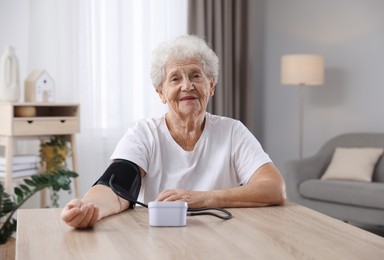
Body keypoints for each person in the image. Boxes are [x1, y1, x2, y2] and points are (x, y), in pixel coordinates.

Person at [61, 35, 286, 228]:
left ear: (211, 86)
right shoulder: (143, 134)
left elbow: (274, 188)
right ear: (161, 93)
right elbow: (116, 186)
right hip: (159, 240)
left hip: (223, 239)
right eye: (175, 78)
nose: (187, 86)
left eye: (196, 76)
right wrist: (89, 207)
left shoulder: (233, 132)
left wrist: (200, 198)